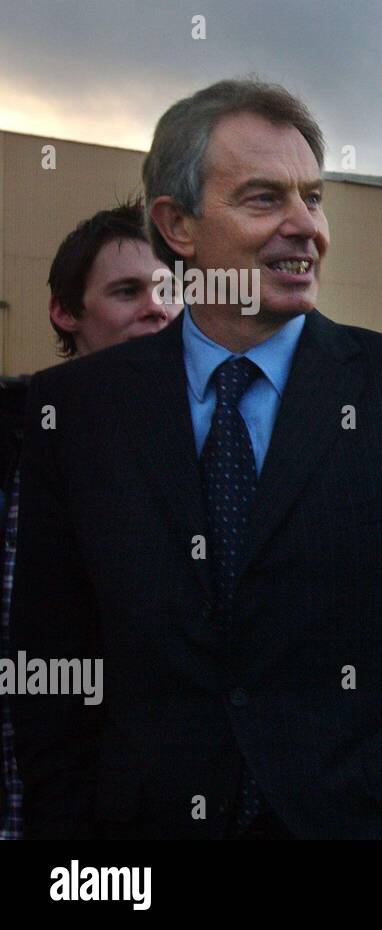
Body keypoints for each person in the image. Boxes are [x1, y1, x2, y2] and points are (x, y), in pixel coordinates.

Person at [10, 78, 382, 840]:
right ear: (177, 225)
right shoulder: (76, 411)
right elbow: (50, 673)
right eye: (265, 199)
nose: (306, 228)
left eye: (314, 198)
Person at [0, 200, 179, 840]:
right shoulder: (21, 448)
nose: (156, 308)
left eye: (168, 290)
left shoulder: (218, 456)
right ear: (66, 313)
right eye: (127, 291)